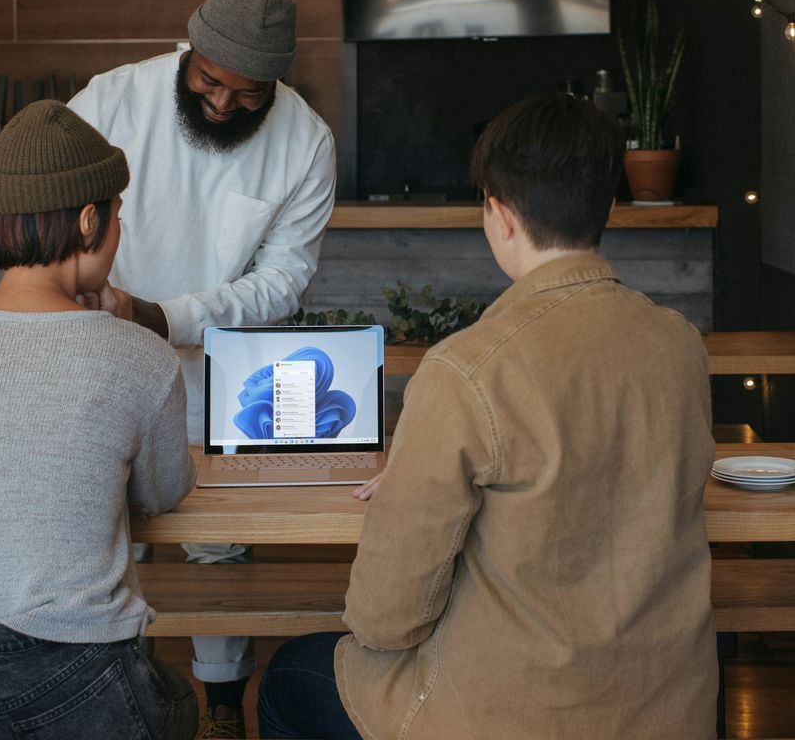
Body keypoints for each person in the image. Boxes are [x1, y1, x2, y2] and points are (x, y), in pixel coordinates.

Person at [256, 93, 718, 739]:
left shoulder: (468, 368)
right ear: (609, 205)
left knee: (288, 677)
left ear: (498, 214)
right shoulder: (678, 343)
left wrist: (420, 479)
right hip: (667, 709)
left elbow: (388, 618)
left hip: (515, 715)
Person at [0, 99, 199, 740]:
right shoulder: (141, 356)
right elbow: (161, 494)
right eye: (116, 217)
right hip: (76, 674)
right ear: (87, 219)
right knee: (179, 702)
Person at [68, 0, 335, 736]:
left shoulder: (306, 141)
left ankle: (222, 707)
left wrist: (163, 315)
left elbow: (282, 280)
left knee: (218, 546)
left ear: (276, 83)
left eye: (247, 96)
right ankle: (118, 700)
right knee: (103, 533)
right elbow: (50, 212)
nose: (222, 103)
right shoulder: (111, 101)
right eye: (210, 82)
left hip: (218, 370)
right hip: (98, 357)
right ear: (190, 49)